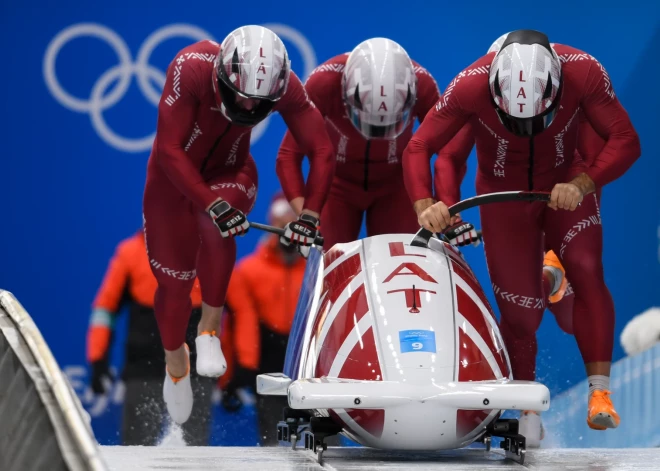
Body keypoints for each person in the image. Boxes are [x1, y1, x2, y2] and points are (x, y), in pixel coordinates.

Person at [403, 30, 641, 435]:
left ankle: (600, 393)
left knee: (585, 267)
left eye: (537, 117)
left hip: (566, 183)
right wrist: (426, 205)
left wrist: (585, 184)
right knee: (521, 316)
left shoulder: (582, 71)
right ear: (495, 90)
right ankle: (528, 410)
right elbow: (421, 147)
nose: (526, 127)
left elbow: (625, 140)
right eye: (513, 119)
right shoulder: (471, 84)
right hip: (502, 193)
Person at [142, 25, 335, 425]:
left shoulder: (288, 85)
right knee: (175, 288)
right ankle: (175, 361)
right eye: (241, 97)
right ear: (221, 77)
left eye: (259, 103)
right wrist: (209, 202)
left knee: (219, 224)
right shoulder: (191, 66)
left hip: (232, 171)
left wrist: (311, 213)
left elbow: (321, 148)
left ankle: (209, 332)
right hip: (171, 179)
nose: (248, 109)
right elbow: (169, 150)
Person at [276, 37, 478, 251]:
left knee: (403, 259)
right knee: (329, 258)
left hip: (396, 187)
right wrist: (306, 217)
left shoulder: (423, 84)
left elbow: (448, 151)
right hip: (338, 188)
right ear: (346, 92)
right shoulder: (324, 82)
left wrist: (448, 212)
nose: (377, 132)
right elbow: (289, 154)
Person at [86, 229, 215, 445]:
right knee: (138, 450)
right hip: (144, 370)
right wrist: (98, 360)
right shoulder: (130, 252)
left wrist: (234, 369)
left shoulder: (208, 253)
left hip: (194, 372)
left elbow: (230, 314)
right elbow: (105, 310)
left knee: (194, 454)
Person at [223, 192, 306, 445]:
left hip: (311, 370)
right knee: (274, 445)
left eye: (293, 225)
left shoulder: (319, 267)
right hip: (269, 370)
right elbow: (237, 326)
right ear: (272, 225)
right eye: (282, 225)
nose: (288, 233)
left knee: (323, 445)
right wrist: (236, 374)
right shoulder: (248, 270)